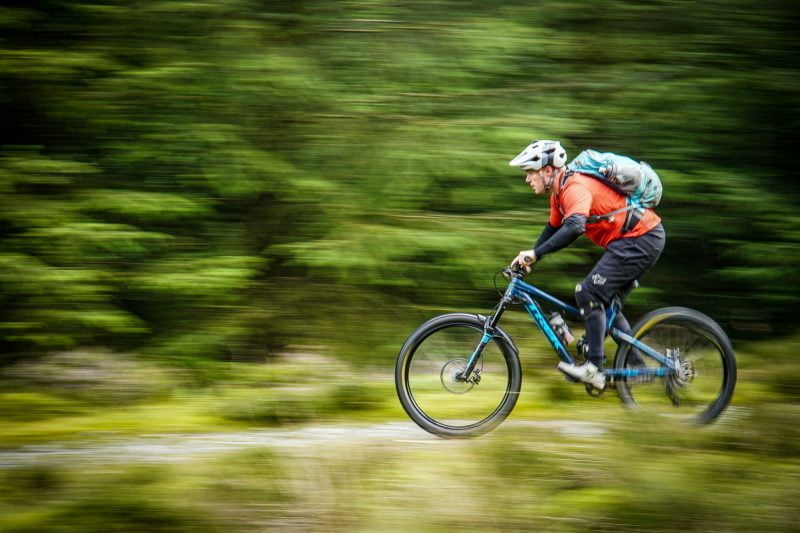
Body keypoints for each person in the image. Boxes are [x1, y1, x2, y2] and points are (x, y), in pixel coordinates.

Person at [508, 139, 665, 390]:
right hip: (632, 242)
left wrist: (536, 254)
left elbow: (575, 226)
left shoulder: (575, 186)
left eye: (529, 172)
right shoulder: (559, 196)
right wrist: (531, 257)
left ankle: (594, 368)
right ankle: (638, 366)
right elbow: (553, 228)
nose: (527, 179)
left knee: (588, 292)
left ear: (548, 171)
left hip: (641, 238)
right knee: (607, 306)